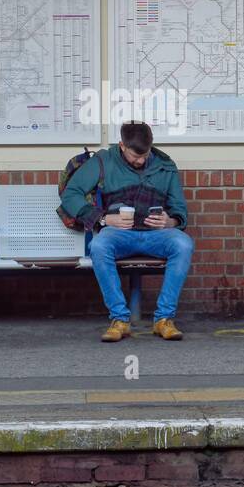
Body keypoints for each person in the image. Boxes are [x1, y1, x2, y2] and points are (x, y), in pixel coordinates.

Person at [61, 121, 193, 342]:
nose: (140, 160)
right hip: (118, 233)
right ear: (122, 145)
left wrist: (169, 222)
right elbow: (70, 194)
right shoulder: (103, 161)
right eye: (135, 156)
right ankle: (120, 320)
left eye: (145, 155)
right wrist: (103, 218)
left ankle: (164, 319)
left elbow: (180, 210)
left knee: (184, 243)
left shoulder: (165, 165)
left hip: (156, 235)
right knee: (99, 245)